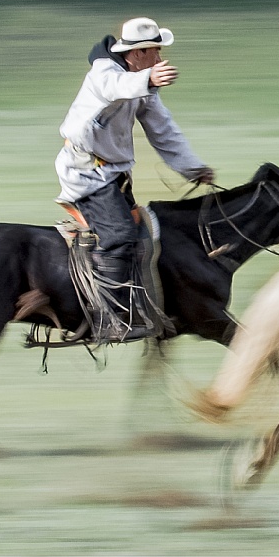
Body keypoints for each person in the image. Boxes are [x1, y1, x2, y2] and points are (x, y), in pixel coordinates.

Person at [55, 17, 214, 343]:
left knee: (143, 232)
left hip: (112, 174)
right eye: (154, 51)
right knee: (120, 234)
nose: (159, 57)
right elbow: (117, 87)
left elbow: (163, 130)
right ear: (137, 53)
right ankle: (108, 318)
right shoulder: (104, 74)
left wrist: (193, 168)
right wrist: (149, 79)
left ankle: (137, 303)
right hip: (86, 173)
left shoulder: (142, 87)